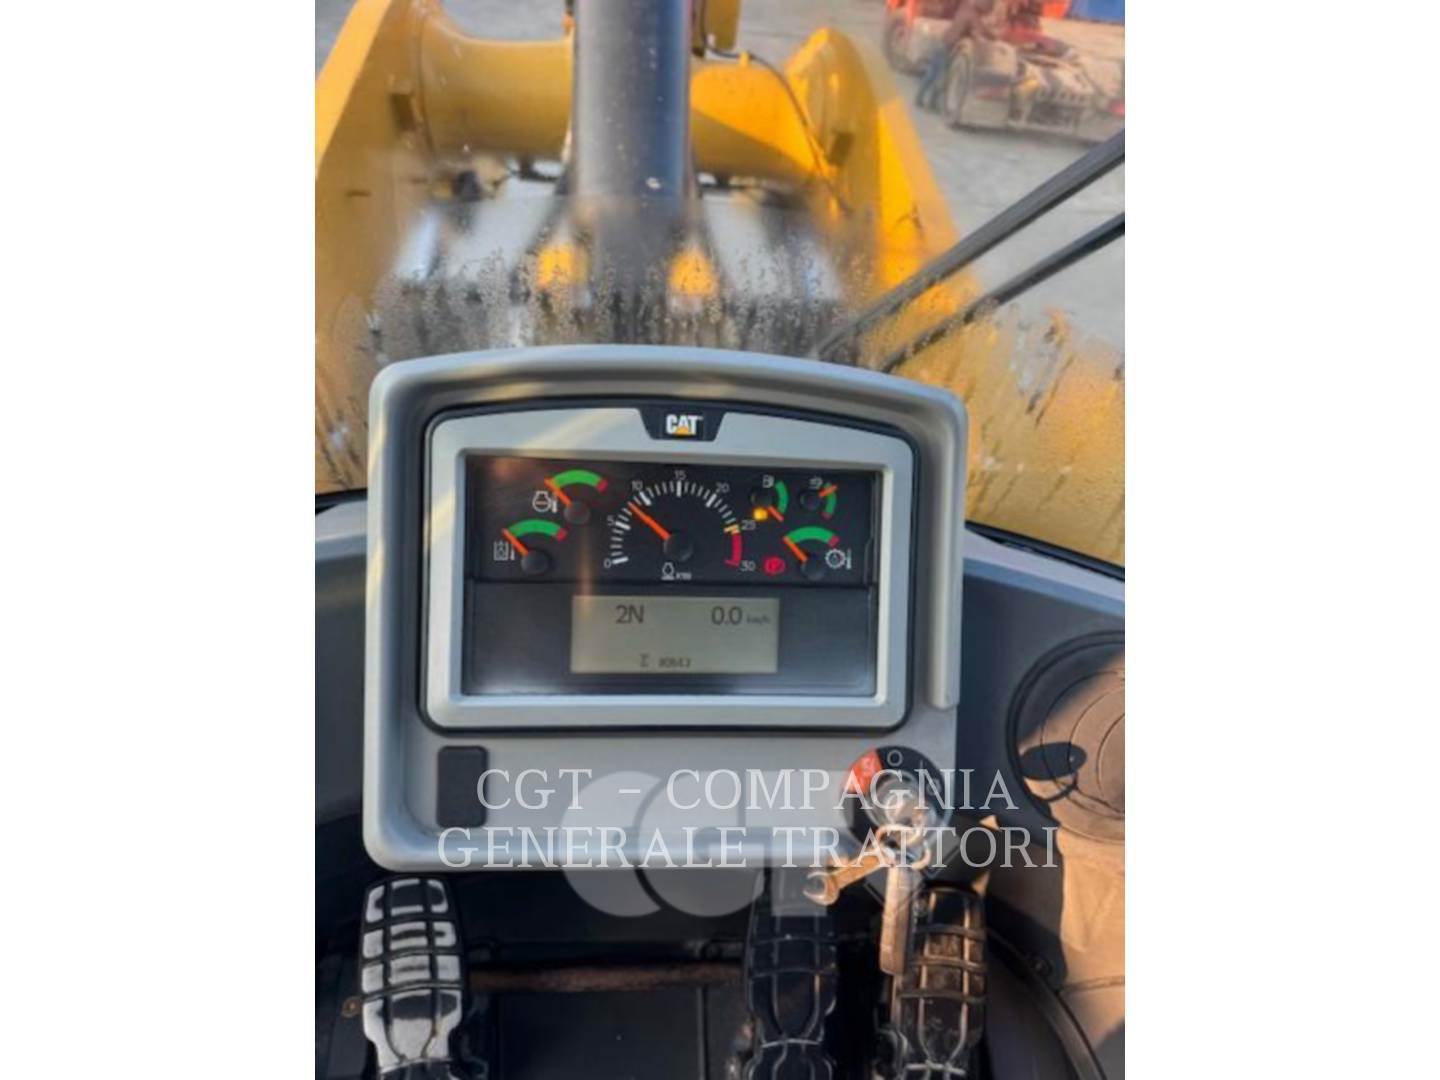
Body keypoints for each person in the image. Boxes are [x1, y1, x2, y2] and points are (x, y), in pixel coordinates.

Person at [915, 0, 997, 111]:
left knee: (933, 74)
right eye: (988, 7)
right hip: (947, 47)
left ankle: (921, 99)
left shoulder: (966, 8)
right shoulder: (973, 16)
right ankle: (929, 103)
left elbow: (977, 28)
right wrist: (990, 39)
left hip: (943, 42)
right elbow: (979, 30)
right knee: (940, 76)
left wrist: (990, 36)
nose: (988, 11)